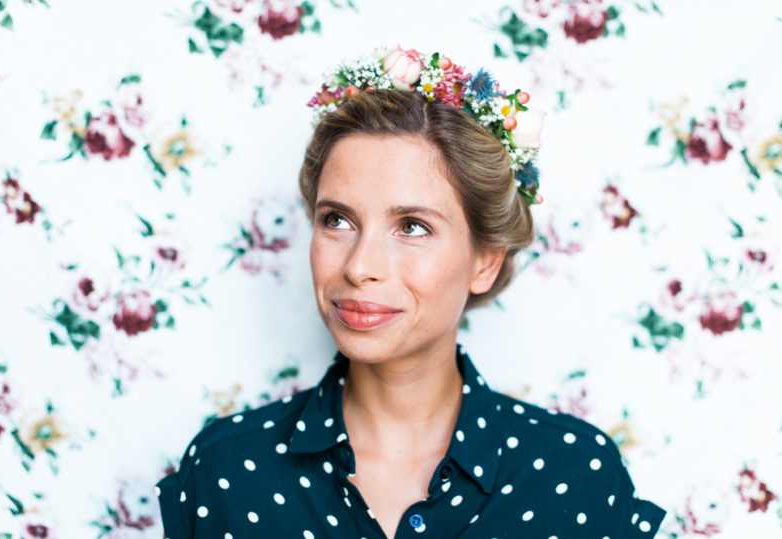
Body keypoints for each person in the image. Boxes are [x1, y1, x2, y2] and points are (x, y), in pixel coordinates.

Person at [155, 46, 666, 538]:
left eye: (412, 227)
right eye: (336, 220)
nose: (359, 267)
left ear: (485, 262)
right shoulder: (227, 469)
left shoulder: (574, 474)